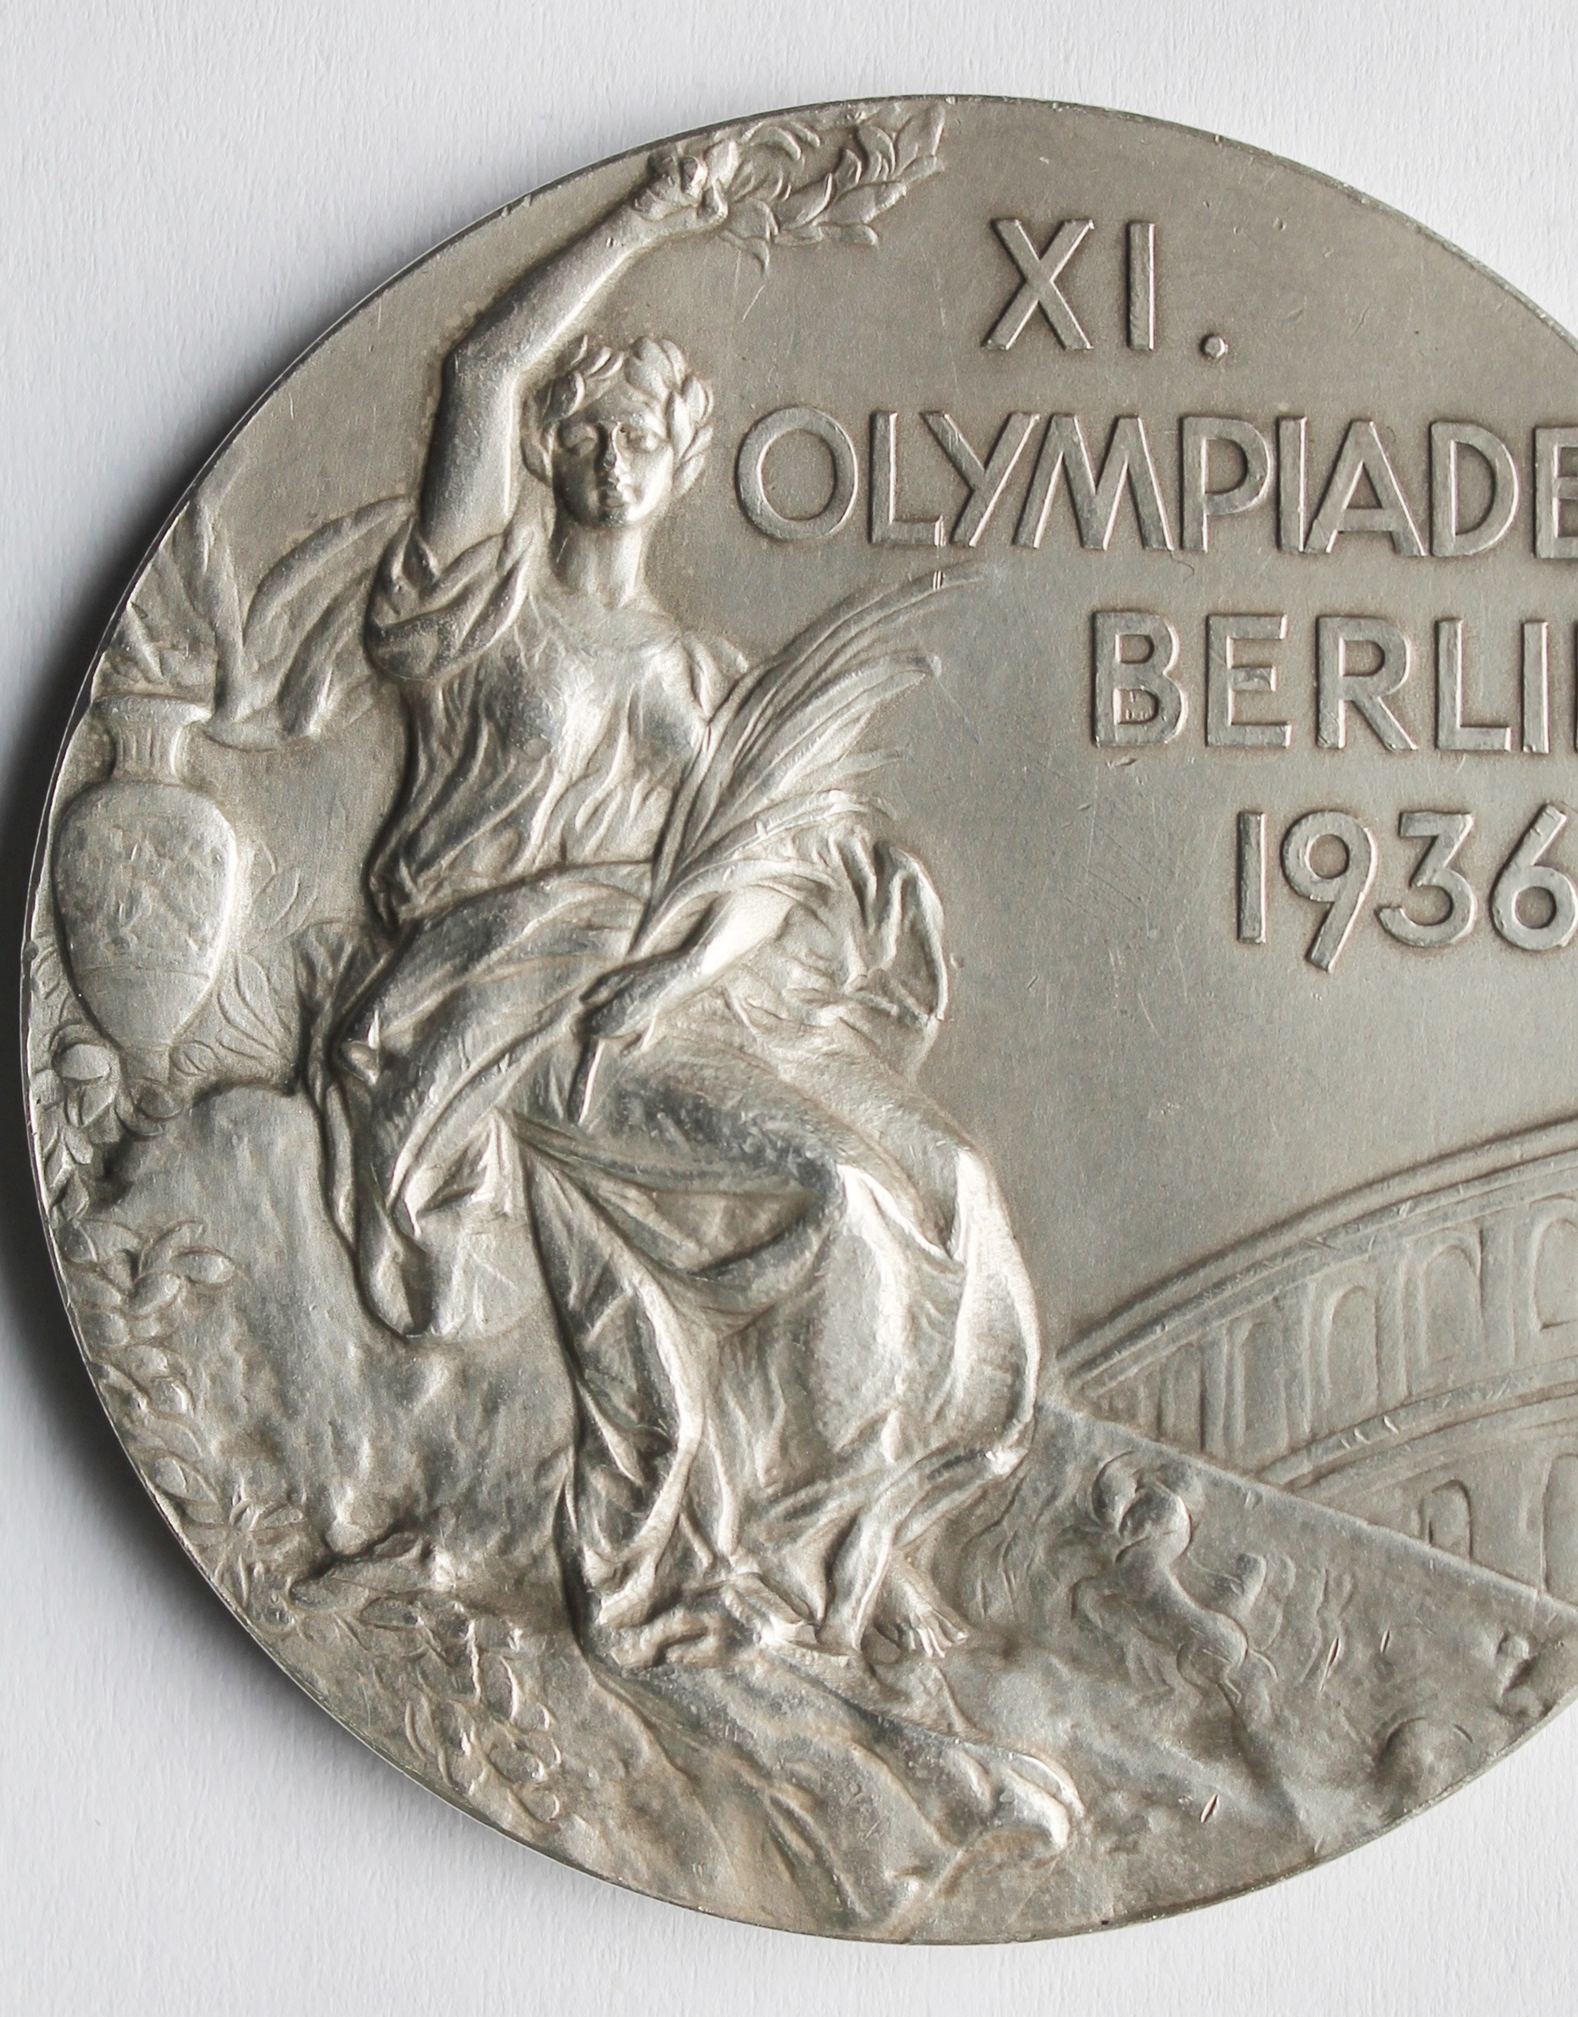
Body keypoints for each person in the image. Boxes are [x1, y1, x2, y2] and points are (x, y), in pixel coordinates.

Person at [305, 144, 1044, 1682]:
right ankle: (786, 1565)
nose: (612, 454)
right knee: (832, 1192)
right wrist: (656, 213)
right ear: (553, 446)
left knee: (948, 1180)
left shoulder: (707, 677)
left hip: (670, 992)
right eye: (588, 427)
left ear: (678, 458)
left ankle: (870, 1529)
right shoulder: (477, 605)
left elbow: (760, 876)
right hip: (506, 996)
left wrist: (675, 971)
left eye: (642, 432)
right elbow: (480, 365)